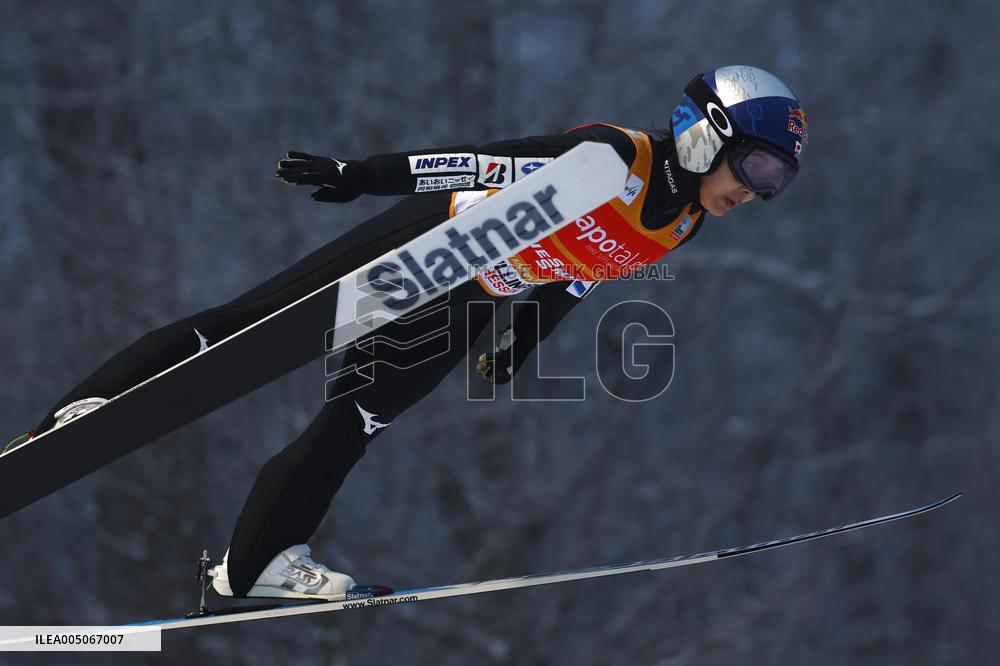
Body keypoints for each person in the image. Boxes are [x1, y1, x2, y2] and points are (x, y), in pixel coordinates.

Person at [12, 65, 808, 599]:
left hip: (473, 298)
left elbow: (575, 272)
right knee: (245, 327)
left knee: (351, 427)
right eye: (759, 168)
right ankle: (84, 414)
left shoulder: (680, 228)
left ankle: (250, 568)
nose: (759, 192)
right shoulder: (613, 160)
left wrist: (520, 342)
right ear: (705, 132)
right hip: (433, 243)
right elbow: (480, 164)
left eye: (777, 182)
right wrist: (363, 176)